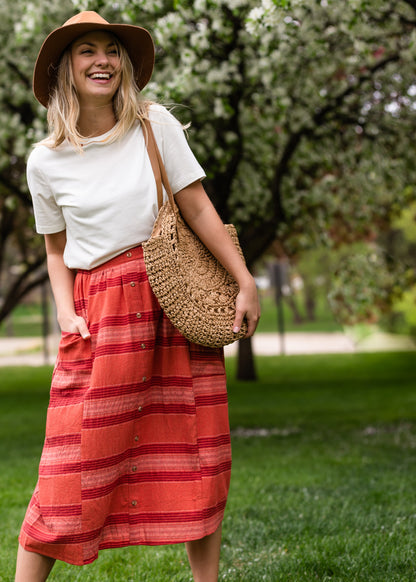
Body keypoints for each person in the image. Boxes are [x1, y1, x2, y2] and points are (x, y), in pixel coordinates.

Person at [15, 10, 260, 582]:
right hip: (99, 313)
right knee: (67, 463)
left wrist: (244, 280)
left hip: (173, 303)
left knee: (197, 455)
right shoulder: (44, 160)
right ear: (64, 70)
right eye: (86, 51)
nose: (102, 59)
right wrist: (64, 311)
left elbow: (197, 207)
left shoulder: (155, 124)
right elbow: (55, 249)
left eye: (111, 49)